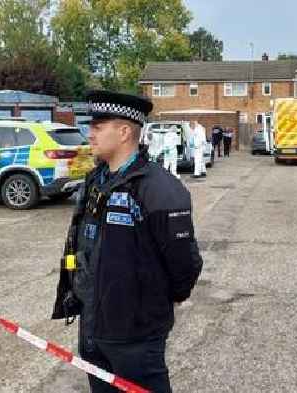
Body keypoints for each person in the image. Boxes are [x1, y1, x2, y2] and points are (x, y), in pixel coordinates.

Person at [52, 90, 203, 393]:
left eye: (98, 127)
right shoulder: (97, 180)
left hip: (135, 332)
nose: (89, 134)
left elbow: (184, 261)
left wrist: (159, 300)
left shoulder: (159, 188)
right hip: (93, 323)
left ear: (123, 132)